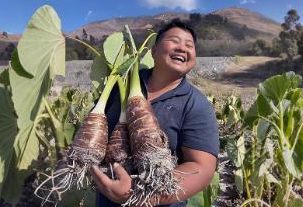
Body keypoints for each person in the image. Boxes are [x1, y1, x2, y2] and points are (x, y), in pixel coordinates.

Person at [91, 20, 219, 207]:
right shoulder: (119, 87)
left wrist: (139, 195)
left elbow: (202, 168)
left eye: (189, 45)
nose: (182, 48)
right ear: (153, 50)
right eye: (174, 41)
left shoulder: (197, 105)